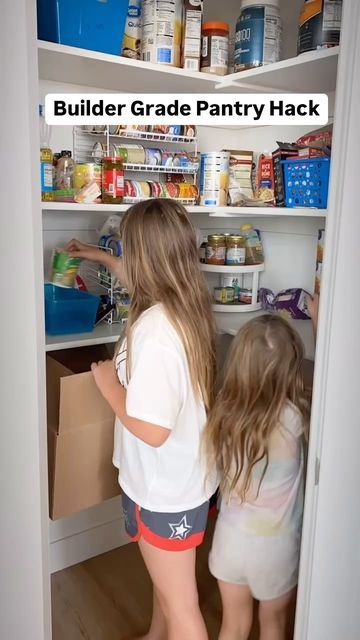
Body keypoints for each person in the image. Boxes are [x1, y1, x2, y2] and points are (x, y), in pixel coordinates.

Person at [66, 198, 218, 640]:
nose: (122, 258)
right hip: (176, 480)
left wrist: (107, 384)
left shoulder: (155, 331)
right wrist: (95, 256)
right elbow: (128, 274)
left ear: (147, 259)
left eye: (126, 249)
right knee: (165, 585)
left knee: (183, 605)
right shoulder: (182, 305)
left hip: (164, 491)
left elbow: (153, 430)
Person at [204, 315, 312, 640]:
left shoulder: (224, 415)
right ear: (290, 371)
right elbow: (334, 394)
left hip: (230, 542)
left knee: (233, 626)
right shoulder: (294, 418)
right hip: (275, 550)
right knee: (273, 626)